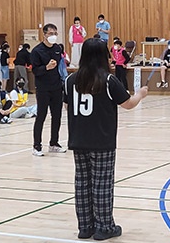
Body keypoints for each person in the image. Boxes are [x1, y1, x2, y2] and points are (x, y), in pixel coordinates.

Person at [64, 38, 148, 240]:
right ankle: (104, 227)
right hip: (102, 141)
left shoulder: (70, 80)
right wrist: (141, 94)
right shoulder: (108, 80)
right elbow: (128, 104)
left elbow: (67, 106)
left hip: (79, 139)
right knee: (102, 184)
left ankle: (85, 226)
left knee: (82, 183)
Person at [30, 23, 67, 156]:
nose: (53, 36)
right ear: (44, 34)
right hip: (43, 88)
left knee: (57, 116)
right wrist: (46, 67)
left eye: (55, 34)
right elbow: (34, 70)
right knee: (41, 116)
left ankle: (54, 143)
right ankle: (37, 146)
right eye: (50, 34)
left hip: (56, 87)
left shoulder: (57, 49)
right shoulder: (37, 51)